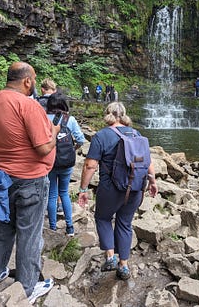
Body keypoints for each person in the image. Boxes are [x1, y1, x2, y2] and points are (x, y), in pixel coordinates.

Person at [0, 62, 59, 303]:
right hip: (30, 180)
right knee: (29, 234)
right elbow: (43, 148)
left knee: (3, 228)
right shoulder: (27, 105)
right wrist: (54, 131)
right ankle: (28, 288)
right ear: (28, 81)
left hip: (2, 179)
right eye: (35, 79)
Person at [77, 102, 158, 280]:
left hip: (111, 189)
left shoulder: (101, 136)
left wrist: (83, 189)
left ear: (108, 115)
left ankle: (110, 256)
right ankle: (124, 266)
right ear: (124, 115)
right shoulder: (137, 134)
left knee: (103, 218)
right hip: (136, 187)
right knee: (125, 223)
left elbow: (90, 165)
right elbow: (148, 162)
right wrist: (152, 181)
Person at [46, 92, 86, 236]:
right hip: (66, 162)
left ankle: (52, 228)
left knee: (52, 194)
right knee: (64, 193)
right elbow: (81, 140)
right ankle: (69, 227)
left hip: (50, 161)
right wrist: (73, 149)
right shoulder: (70, 119)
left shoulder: (43, 118)